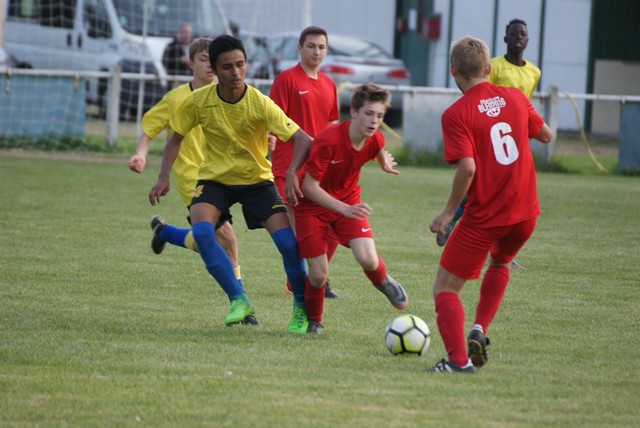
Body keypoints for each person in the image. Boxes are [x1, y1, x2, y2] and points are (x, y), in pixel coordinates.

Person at [149, 35, 314, 333]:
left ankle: (301, 308)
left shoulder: (260, 103)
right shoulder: (198, 101)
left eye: (240, 64)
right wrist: (162, 177)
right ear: (214, 69)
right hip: (215, 180)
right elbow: (175, 139)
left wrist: (292, 173)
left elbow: (303, 139)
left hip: (256, 181)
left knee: (289, 245)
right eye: (227, 67)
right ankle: (238, 300)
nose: (236, 72)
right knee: (203, 234)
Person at [426, 35, 552, 373]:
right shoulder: (515, 97)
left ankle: (458, 362)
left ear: (453, 71)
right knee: (501, 260)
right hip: (525, 214)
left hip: (486, 216)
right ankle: (479, 329)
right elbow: (546, 135)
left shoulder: (456, 113)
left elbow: (467, 168)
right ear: (488, 69)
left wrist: (447, 213)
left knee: (444, 288)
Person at [129, 38, 250, 323]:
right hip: (192, 179)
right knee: (227, 238)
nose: (209, 65)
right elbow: (148, 131)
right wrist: (140, 155)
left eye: (212, 59)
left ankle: (165, 232)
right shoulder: (176, 99)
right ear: (190, 63)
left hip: (225, 175)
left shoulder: (229, 94)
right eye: (203, 59)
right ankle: (240, 302)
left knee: (211, 240)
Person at [285, 82, 409, 334]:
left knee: (368, 259)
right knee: (319, 275)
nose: (374, 121)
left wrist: (383, 160)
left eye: (379, 116)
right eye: (368, 113)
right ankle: (315, 321)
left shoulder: (376, 138)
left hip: (348, 200)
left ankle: (383, 281)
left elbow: (377, 146)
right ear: (353, 112)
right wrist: (342, 209)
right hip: (312, 207)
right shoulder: (329, 141)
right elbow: (309, 187)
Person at [437, 18, 541, 264]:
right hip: (488, 134)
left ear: (528, 39)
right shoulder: (493, 66)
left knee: (495, 192)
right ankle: (457, 221)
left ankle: (500, 246)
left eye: (523, 34)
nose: (518, 38)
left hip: (512, 134)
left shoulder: (534, 72)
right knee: (483, 188)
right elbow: (482, 98)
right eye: (513, 34)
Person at [269, 26, 340, 299]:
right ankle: (300, 283)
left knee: (334, 224)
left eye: (321, 47)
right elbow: (273, 119)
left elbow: (332, 126)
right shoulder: (287, 79)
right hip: (290, 167)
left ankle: (316, 277)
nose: (316, 51)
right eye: (311, 46)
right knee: (300, 230)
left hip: (319, 170)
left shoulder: (329, 84)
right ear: (300, 48)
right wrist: (268, 139)